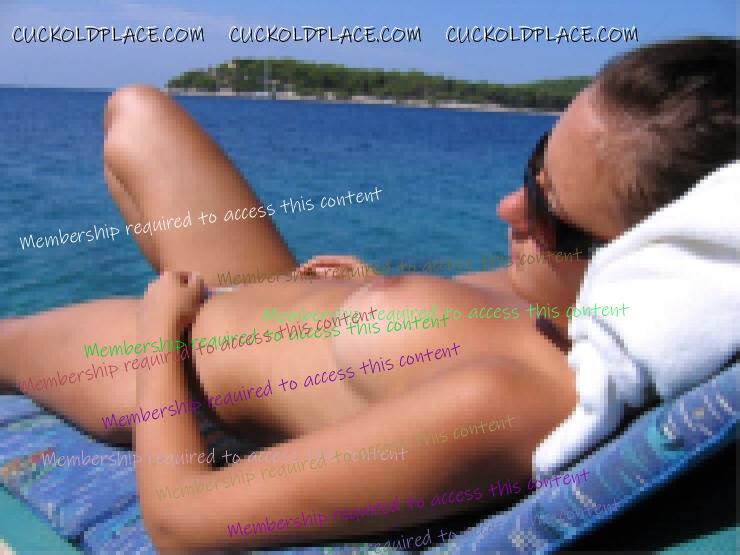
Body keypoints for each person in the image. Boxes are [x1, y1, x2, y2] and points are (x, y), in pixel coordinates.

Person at [0, 37, 735, 551]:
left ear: (646, 262)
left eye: (551, 213)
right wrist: (378, 291)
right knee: (137, 112)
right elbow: (443, 339)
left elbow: (181, 523)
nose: (510, 208)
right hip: (262, 295)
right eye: (536, 165)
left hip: (183, 364)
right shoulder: (564, 301)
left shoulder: (516, 403)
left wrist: (159, 331)